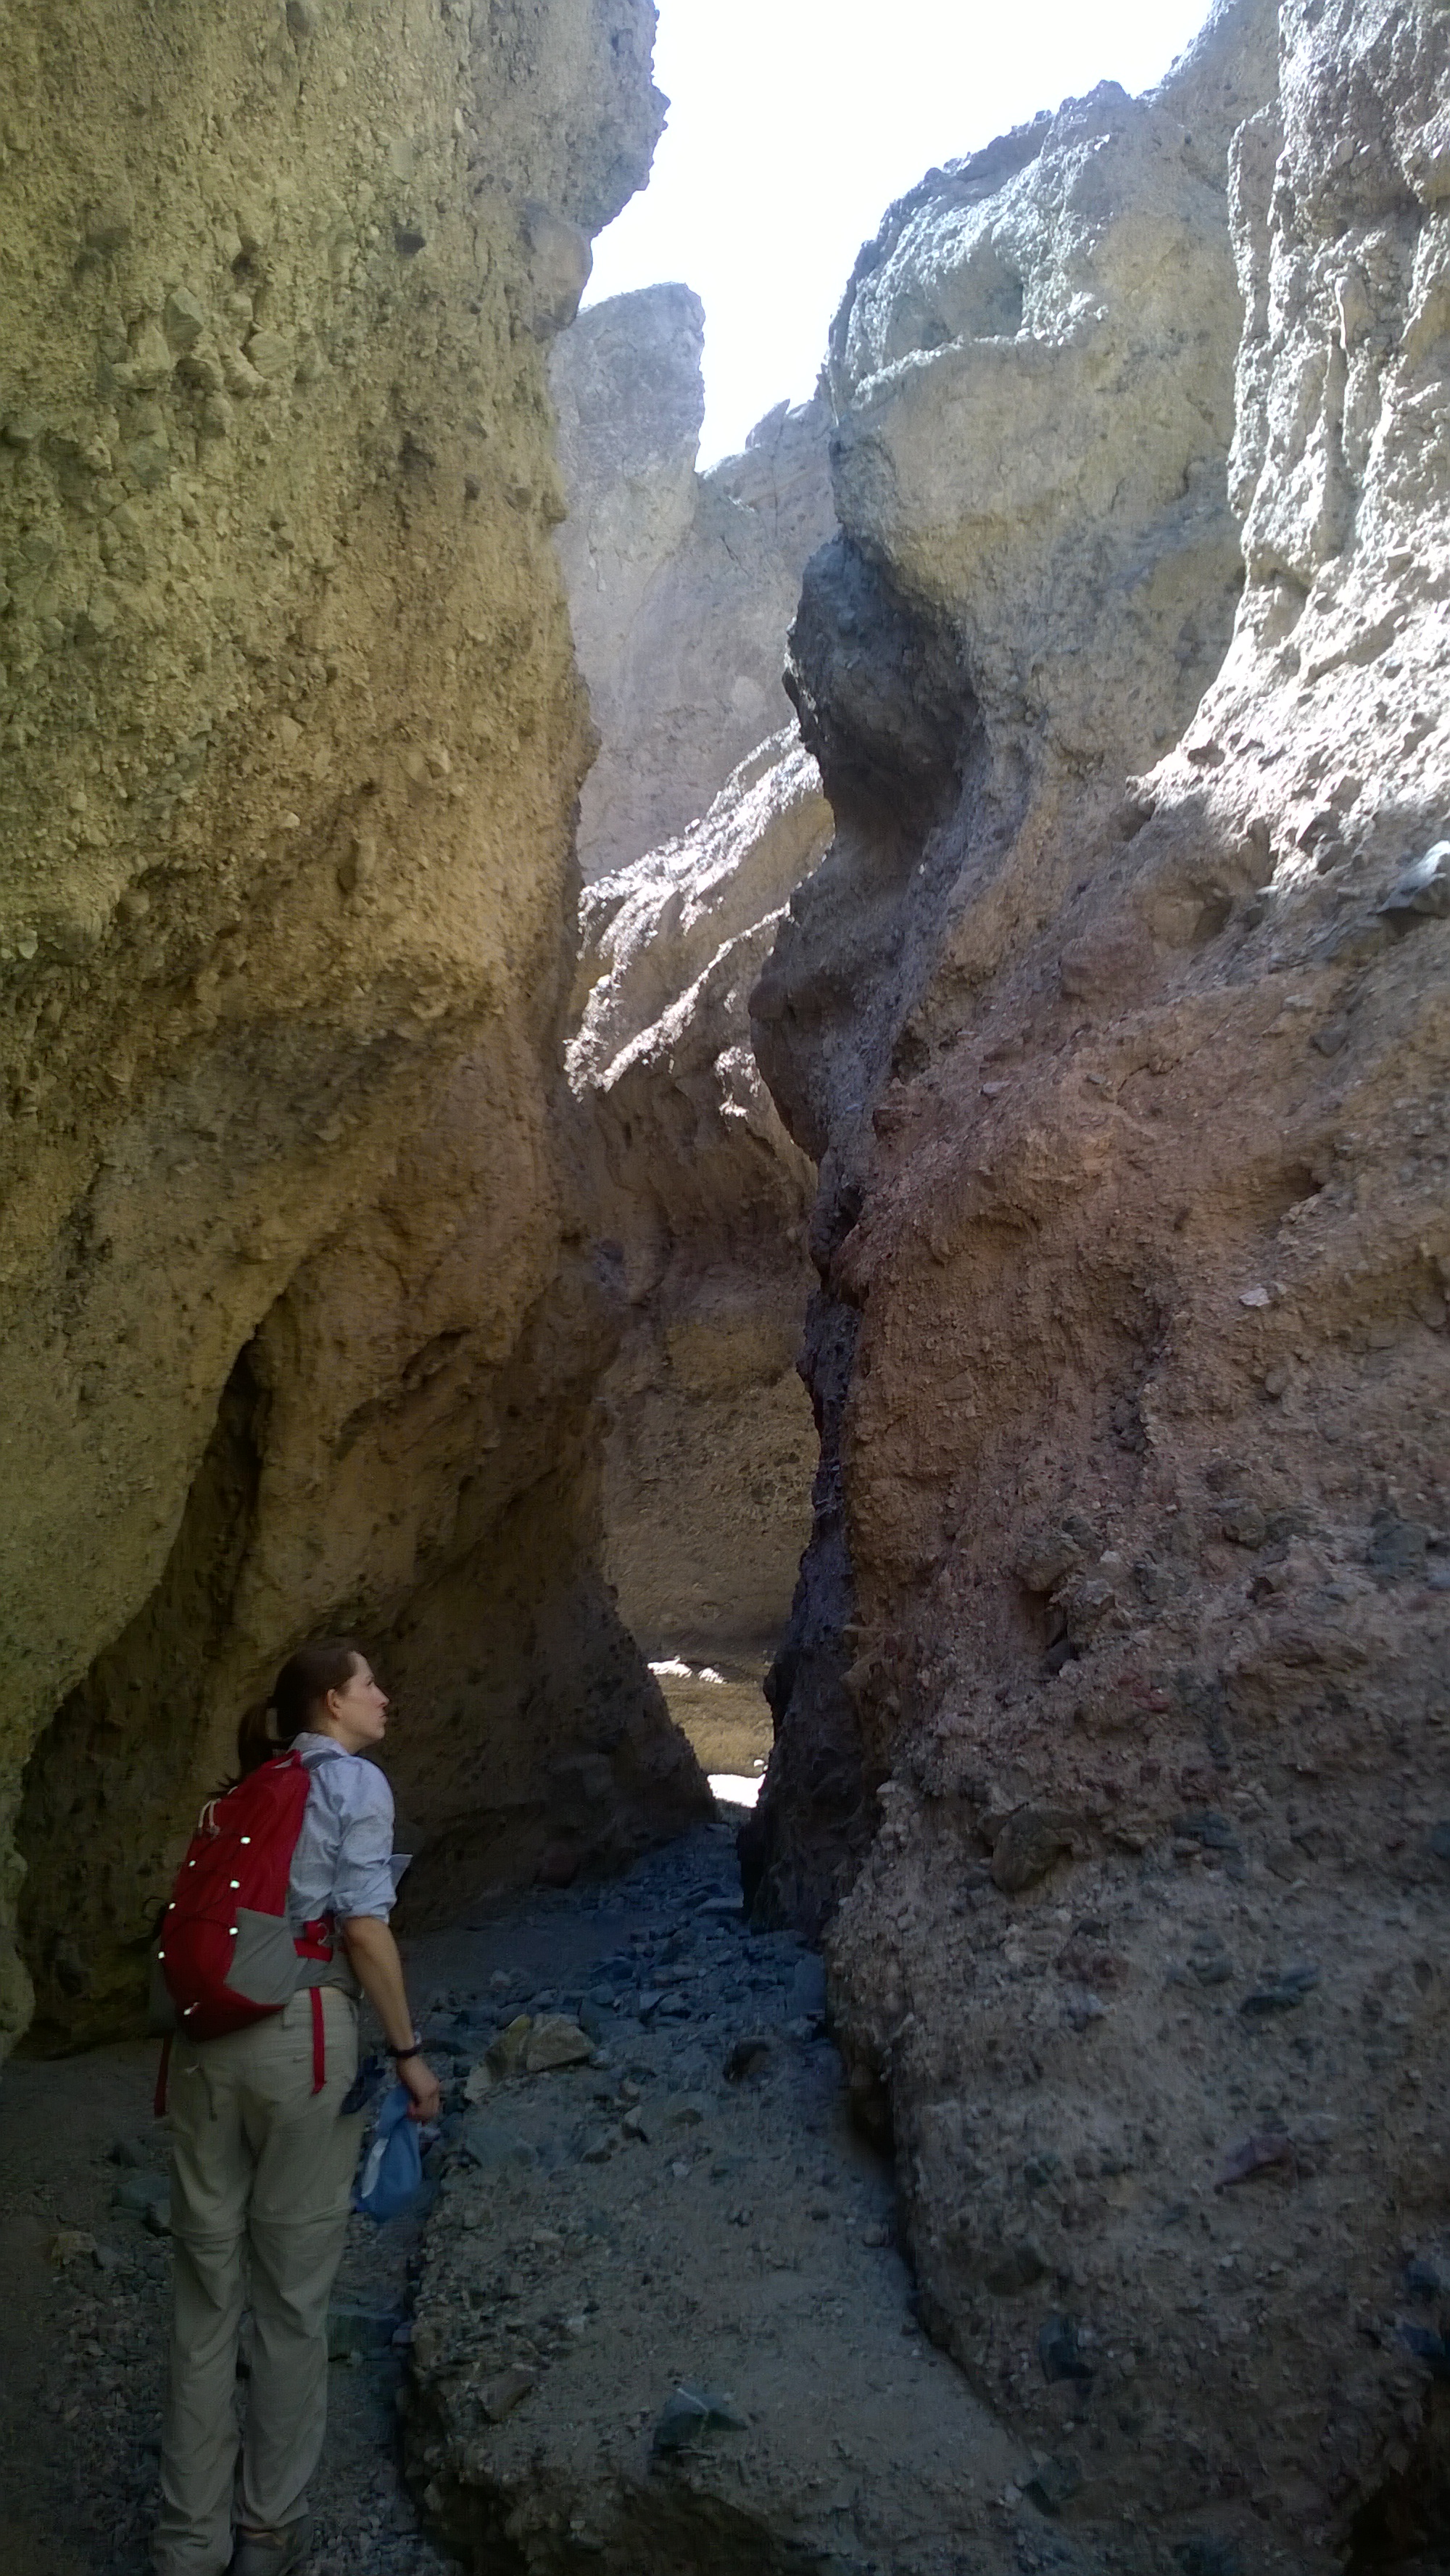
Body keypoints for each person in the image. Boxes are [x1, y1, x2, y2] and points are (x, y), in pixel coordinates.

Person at [154, 1640, 441, 2576]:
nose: (384, 1698)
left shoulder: (246, 1788)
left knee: (204, 2304)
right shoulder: (354, 1784)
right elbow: (362, 1925)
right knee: (290, 2302)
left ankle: (184, 2544)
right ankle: (264, 2534)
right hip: (302, 2039)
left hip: (205, 2050)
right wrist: (407, 2053)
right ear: (331, 1702)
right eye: (370, 1684)